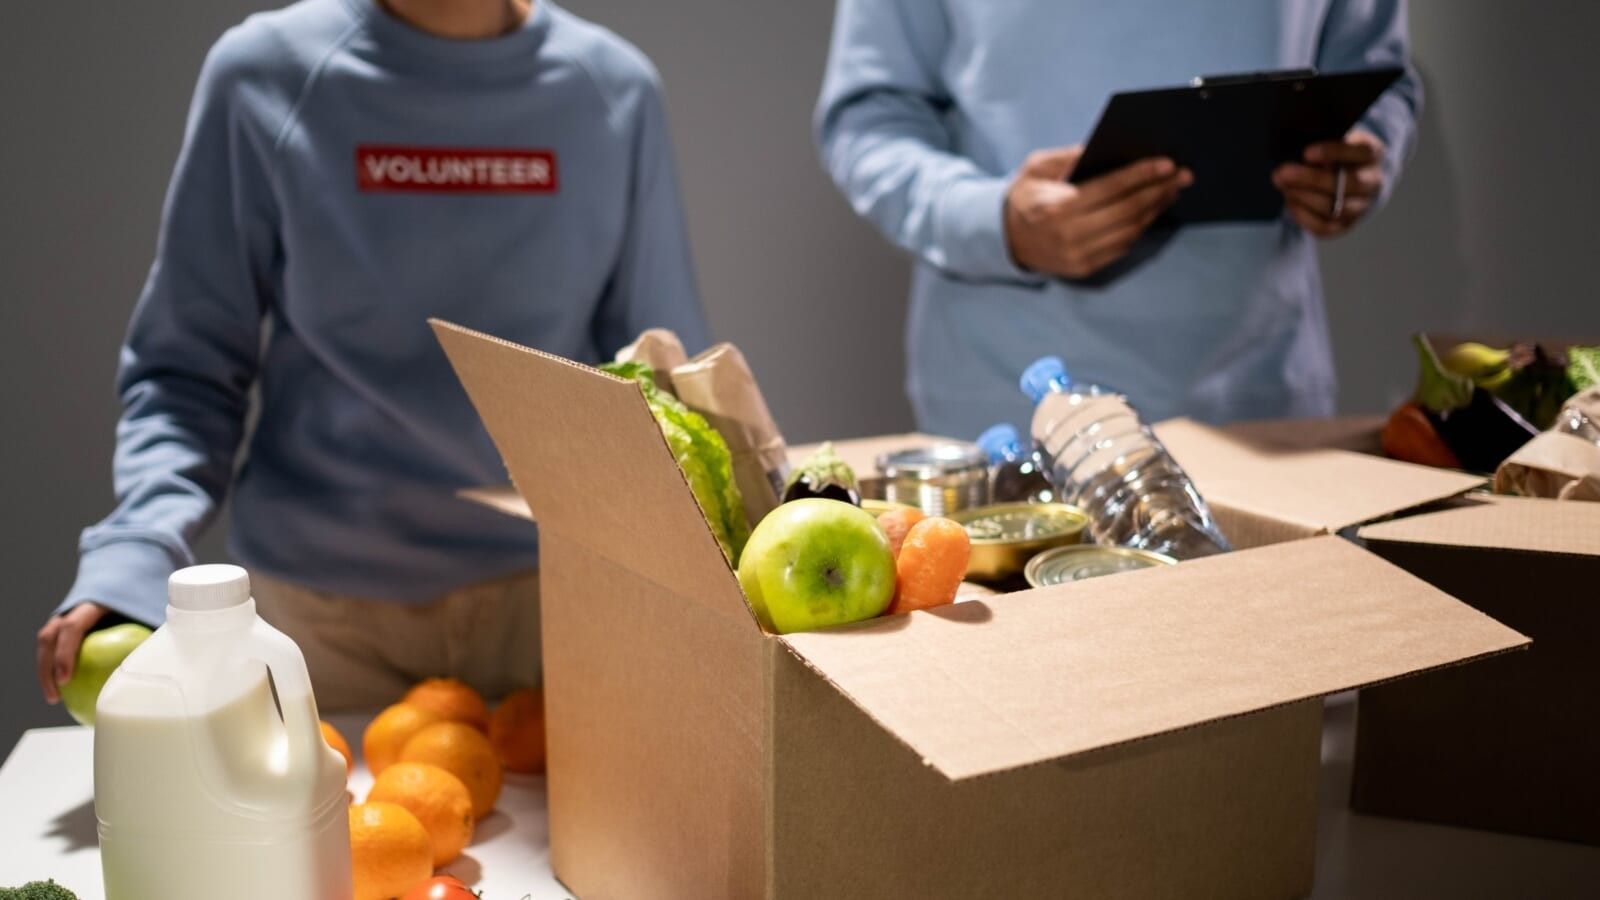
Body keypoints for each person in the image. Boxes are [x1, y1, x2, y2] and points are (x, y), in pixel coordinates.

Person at [36, 0, 708, 710]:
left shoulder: (612, 91)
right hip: (315, 630)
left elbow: (661, 388)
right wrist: (134, 553)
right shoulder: (264, 75)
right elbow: (187, 370)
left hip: (547, 616)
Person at [816, 0, 1421, 438]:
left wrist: (1366, 156)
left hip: (1260, 393)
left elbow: (1381, 78)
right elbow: (868, 118)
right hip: (1015, 402)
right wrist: (996, 220)